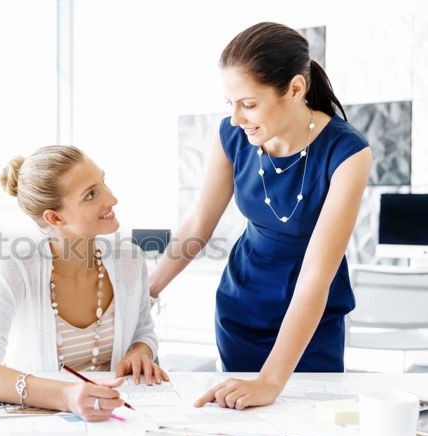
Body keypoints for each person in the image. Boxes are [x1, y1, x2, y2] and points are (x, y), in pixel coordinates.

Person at [149, 22, 371, 410]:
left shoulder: (347, 151)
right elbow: (197, 226)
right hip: (242, 305)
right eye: (230, 103)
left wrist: (270, 381)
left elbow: (317, 274)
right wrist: (146, 293)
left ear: (296, 89)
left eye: (248, 104)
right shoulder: (231, 135)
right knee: (241, 426)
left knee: (310, 423)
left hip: (311, 315)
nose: (236, 118)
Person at [0, 145, 168, 422]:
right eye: (91, 195)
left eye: (103, 183)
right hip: (40, 425)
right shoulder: (18, 269)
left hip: (113, 418)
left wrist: (140, 351)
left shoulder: (129, 258)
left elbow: (144, 330)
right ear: (55, 218)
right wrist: (67, 396)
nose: (112, 199)